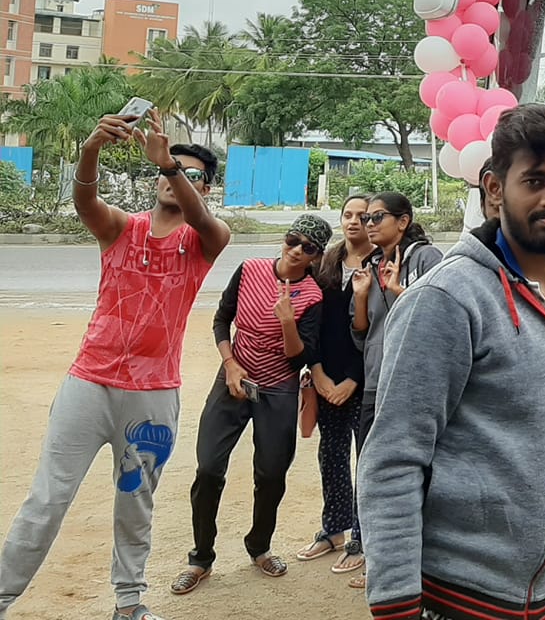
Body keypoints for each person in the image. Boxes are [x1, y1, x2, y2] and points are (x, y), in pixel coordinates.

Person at [357, 104, 545, 620]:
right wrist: (396, 605)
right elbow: (393, 460)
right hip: (455, 599)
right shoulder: (448, 299)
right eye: (535, 180)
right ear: (494, 189)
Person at [0, 111, 228, 620]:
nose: (176, 178)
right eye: (169, 170)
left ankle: (129, 603)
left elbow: (204, 223)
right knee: (47, 500)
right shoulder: (122, 228)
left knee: (135, 502)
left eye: (192, 174)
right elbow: (85, 203)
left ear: (205, 189)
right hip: (89, 384)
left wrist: (169, 164)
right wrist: (90, 149)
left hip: (153, 395)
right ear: (154, 180)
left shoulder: (206, 239)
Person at [170, 215, 327, 594]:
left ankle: (259, 546)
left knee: (271, 474)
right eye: (293, 239)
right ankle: (200, 558)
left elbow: (300, 358)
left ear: (316, 256)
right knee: (208, 468)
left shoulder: (313, 296)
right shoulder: (250, 269)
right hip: (233, 380)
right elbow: (222, 320)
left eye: (308, 247)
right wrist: (230, 364)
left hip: (278, 389)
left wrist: (287, 322)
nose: (296, 250)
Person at [347, 192, 444, 590]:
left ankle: (421, 565)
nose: (368, 224)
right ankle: (378, 559)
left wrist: (399, 290)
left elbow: (441, 315)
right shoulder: (370, 265)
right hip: (376, 381)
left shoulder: (427, 258)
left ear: (403, 221)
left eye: (377, 217)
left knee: (415, 475)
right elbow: (362, 334)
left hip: (415, 383)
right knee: (374, 472)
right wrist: (361, 297)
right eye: (366, 218)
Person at [294, 194, 370, 577]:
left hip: (366, 380)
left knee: (366, 459)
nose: (354, 221)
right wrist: (318, 371)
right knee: (332, 454)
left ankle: (362, 536)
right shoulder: (326, 263)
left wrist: (354, 379)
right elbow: (313, 322)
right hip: (325, 377)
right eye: (348, 214)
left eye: (363, 216)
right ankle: (334, 529)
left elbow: (377, 330)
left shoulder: (383, 263)